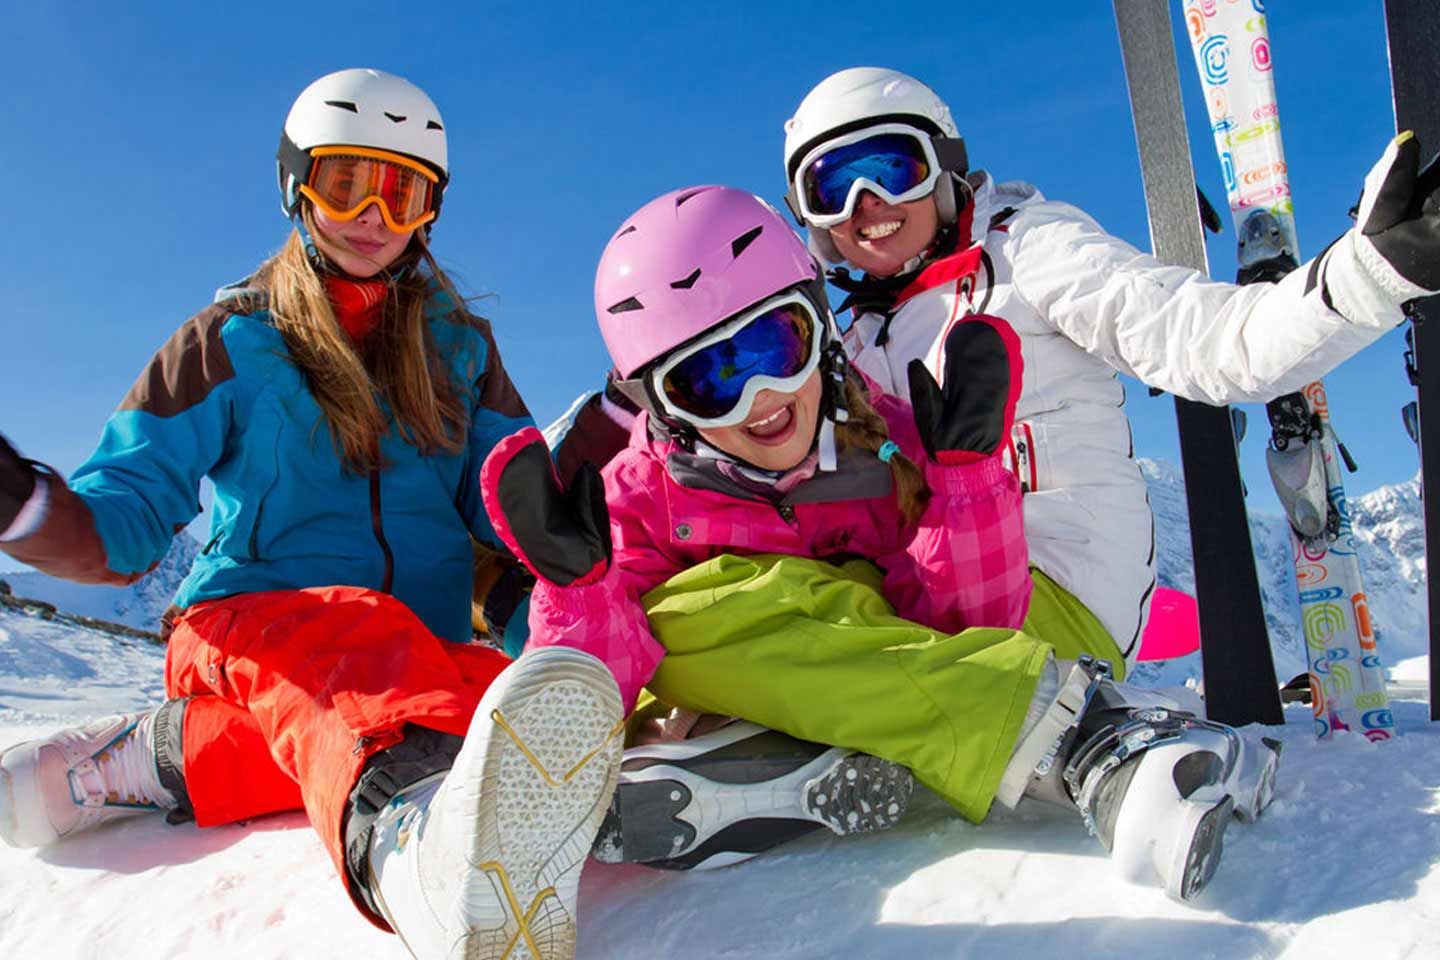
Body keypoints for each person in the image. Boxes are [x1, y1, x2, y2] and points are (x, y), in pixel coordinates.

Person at [482, 185, 1281, 901]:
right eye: (710, 380)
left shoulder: (887, 446)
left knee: (704, 611)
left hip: (903, 663)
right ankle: (795, 754)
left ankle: (1074, 734)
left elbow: (969, 629)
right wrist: (580, 595)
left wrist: (964, 486)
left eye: (775, 348)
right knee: (676, 621)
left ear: (821, 333)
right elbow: (593, 700)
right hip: (755, 688)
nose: (760, 398)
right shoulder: (638, 496)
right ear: (665, 409)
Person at [0, 68, 622, 960]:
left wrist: (578, 621)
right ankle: (409, 854)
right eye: (346, 182)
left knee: (500, 710)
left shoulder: (459, 350)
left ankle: (158, 758)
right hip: (249, 628)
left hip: (409, 651)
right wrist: (25, 509)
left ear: (429, 211)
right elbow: (127, 520)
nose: (373, 213)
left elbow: (506, 506)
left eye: (400, 191)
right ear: (299, 185)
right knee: (362, 644)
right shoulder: (229, 342)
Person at [780, 65, 1440, 663]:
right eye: (830, 186)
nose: (866, 204)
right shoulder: (849, 339)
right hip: (932, 589)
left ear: (944, 167)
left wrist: (1366, 276)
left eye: (893, 168)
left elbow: (1206, 338)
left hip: (1051, 588)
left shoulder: (1028, 250)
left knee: (814, 643)